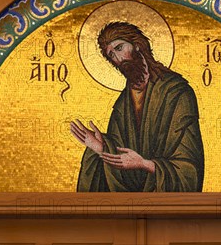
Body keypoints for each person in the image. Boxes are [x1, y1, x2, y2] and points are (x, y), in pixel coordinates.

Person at [70, 21, 204, 192]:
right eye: (111, 55)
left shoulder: (177, 93)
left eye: (119, 48)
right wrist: (102, 148)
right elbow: (125, 169)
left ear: (138, 46)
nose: (117, 59)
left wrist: (144, 164)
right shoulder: (122, 105)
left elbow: (189, 167)